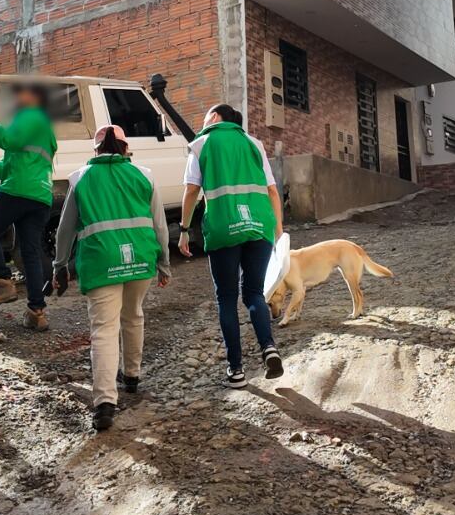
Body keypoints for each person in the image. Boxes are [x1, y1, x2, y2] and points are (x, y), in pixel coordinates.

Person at [52, 124, 171, 431]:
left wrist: (59, 265)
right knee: (133, 315)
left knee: (104, 330)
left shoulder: (80, 178)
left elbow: (65, 230)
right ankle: (131, 376)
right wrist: (164, 262)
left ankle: (105, 402)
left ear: (95, 151)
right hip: (140, 256)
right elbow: (160, 225)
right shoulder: (145, 175)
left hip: (101, 261)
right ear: (126, 149)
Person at [178, 103, 285, 388]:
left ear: (214, 117)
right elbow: (272, 189)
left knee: (226, 297)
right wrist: (277, 228)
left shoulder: (201, 144)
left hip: (224, 227)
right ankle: (269, 348)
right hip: (259, 225)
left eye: (204, 116)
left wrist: (185, 229)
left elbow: (191, 190)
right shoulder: (254, 143)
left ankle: (236, 371)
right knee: (254, 294)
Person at [0, 83, 58, 331]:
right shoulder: (42, 127)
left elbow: (11, 141)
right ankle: (36, 312)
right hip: (39, 197)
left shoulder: (30, 116)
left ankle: (3, 283)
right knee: (29, 252)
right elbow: (13, 164)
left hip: (18, 191)